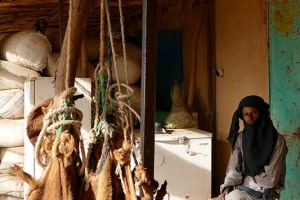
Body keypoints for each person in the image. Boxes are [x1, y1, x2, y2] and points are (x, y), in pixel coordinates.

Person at [217, 95, 288, 200]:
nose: (249, 118)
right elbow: (233, 169)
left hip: (266, 192)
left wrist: (242, 187)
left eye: (254, 113)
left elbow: (270, 179)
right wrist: (226, 190)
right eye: (246, 114)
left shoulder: (278, 141)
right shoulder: (240, 139)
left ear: (262, 113)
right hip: (242, 189)